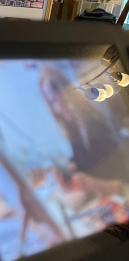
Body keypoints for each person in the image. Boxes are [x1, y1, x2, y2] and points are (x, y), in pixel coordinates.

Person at [38, 65, 129, 199]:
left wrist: (96, 185)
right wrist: (70, 179)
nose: (56, 110)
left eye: (54, 100)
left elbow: (123, 182)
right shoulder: (74, 131)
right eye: (51, 104)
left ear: (66, 92)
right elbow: (84, 167)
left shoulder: (97, 121)